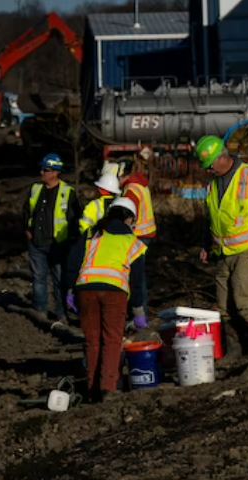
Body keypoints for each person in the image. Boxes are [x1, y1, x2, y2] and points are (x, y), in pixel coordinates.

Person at [195, 135, 248, 355]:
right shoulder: (213, 184)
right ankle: (235, 352)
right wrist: (206, 245)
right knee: (224, 307)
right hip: (223, 252)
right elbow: (210, 218)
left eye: (210, 164)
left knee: (247, 304)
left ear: (222, 157)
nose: (208, 169)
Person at [65, 198, 147, 400]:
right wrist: (138, 310)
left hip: (85, 289)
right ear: (129, 219)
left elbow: (72, 263)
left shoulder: (92, 234)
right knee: (112, 340)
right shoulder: (134, 243)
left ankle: (92, 389)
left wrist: (68, 291)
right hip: (114, 292)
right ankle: (108, 388)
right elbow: (137, 281)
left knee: (92, 340)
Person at [23, 153, 81, 320]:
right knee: (38, 278)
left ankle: (61, 314)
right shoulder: (35, 189)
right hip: (37, 242)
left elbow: (75, 218)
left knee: (60, 281)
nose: (42, 172)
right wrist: (27, 229)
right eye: (42, 169)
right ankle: (40, 311)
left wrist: (70, 241)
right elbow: (26, 211)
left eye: (46, 170)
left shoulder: (67, 192)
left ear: (56, 172)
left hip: (58, 244)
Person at [121, 163, 157, 318]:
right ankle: (140, 310)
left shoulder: (131, 190)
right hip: (146, 233)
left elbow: (129, 215)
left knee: (136, 277)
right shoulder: (140, 184)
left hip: (138, 235)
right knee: (139, 275)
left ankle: (139, 312)